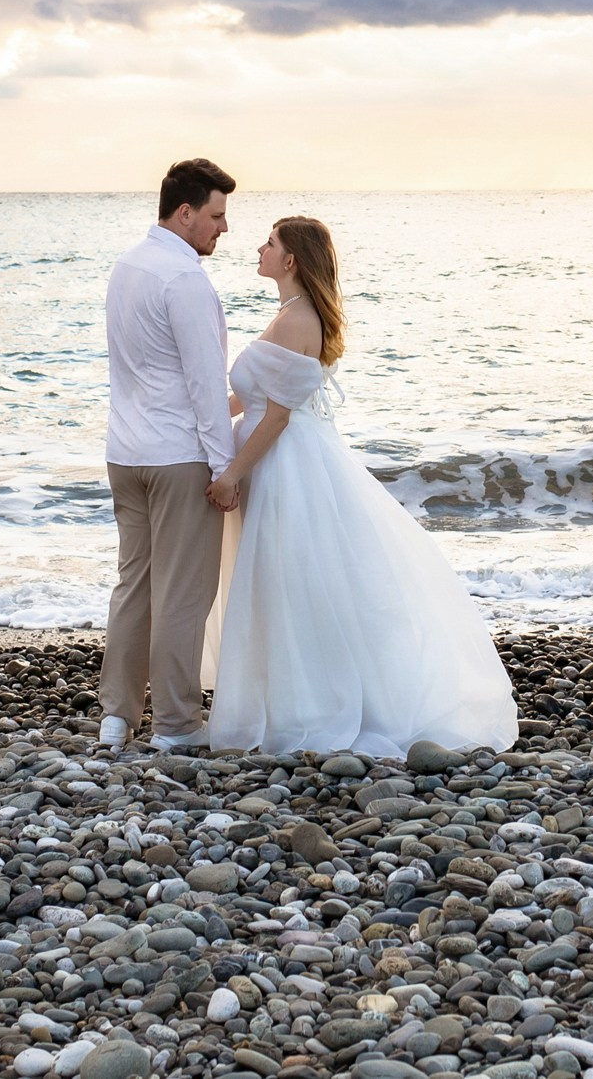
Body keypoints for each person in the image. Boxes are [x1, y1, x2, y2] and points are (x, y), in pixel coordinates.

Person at [203, 215, 516, 757]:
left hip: (283, 467)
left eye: (270, 242)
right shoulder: (289, 314)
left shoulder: (298, 320)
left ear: (291, 259)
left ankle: (310, 703)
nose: (259, 247)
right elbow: (252, 398)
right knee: (286, 579)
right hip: (280, 461)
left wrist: (233, 473)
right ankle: (285, 695)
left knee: (290, 580)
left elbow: (276, 416)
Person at [99, 158, 237, 753]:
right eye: (215, 215)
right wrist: (225, 466)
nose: (223, 229)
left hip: (124, 453)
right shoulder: (184, 280)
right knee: (183, 592)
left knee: (136, 585)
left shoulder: (126, 266)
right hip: (177, 455)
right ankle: (178, 724)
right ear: (185, 213)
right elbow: (206, 384)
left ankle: (116, 718)